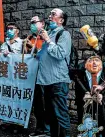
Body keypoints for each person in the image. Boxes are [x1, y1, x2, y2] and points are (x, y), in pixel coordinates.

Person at [36, 8, 71, 137]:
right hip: (46, 81)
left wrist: (48, 41)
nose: (50, 16)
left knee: (60, 114)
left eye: (53, 14)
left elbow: (61, 54)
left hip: (58, 81)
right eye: (50, 14)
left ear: (61, 20)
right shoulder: (49, 34)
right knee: (51, 115)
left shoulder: (63, 34)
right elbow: (42, 56)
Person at [75, 56, 105, 137]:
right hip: (87, 103)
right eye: (90, 60)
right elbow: (79, 91)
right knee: (87, 125)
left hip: (104, 103)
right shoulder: (80, 73)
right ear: (85, 65)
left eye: (97, 60)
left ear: (101, 65)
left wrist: (103, 97)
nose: (94, 63)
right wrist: (85, 94)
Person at [0, 22, 23, 127]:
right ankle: (3, 119)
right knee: (4, 97)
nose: (9, 30)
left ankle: (15, 122)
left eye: (11, 28)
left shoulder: (22, 43)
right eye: (7, 29)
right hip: (4, 75)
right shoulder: (4, 44)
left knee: (15, 99)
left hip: (16, 76)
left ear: (17, 31)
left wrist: (12, 55)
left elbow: (26, 58)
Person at [28, 16, 50, 137]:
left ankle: (47, 130)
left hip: (45, 76)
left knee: (45, 103)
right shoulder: (30, 39)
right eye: (30, 23)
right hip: (34, 76)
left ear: (42, 23)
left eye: (34, 22)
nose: (31, 25)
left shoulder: (47, 36)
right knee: (38, 104)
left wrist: (34, 49)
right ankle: (40, 128)